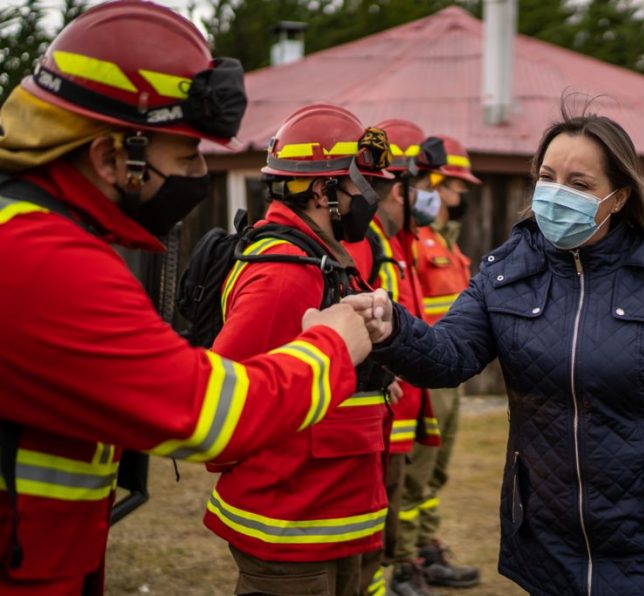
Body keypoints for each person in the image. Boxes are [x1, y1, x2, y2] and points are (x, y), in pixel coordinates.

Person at [0, 2, 371, 593]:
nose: (199, 171)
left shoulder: (41, 234)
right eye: (188, 153)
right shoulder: (44, 257)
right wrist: (333, 343)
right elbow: (209, 414)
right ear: (112, 156)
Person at [346, 106, 644, 595]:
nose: (557, 194)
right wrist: (392, 328)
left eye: (578, 184)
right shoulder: (507, 272)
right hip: (545, 539)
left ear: (618, 198)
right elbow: (448, 355)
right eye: (547, 177)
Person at [203, 104, 393, 596]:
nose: (371, 198)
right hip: (289, 521)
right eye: (360, 185)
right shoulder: (285, 274)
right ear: (321, 190)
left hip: (327, 511)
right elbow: (223, 396)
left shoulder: (324, 260)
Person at [344, 118, 444, 596]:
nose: (421, 195)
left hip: (399, 398)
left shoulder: (397, 243)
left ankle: (394, 569)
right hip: (377, 403)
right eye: (414, 184)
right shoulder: (365, 242)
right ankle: (390, 571)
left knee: (393, 494)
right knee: (378, 506)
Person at [400, 134, 481, 589]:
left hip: (451, 373)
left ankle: (426, 548)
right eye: (457, 187)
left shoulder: (449, 243)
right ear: (436, 183)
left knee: (437, 471)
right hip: (425, 374)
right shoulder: (415, 240)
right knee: (416, 471)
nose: (461, 196)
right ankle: (405, 557)